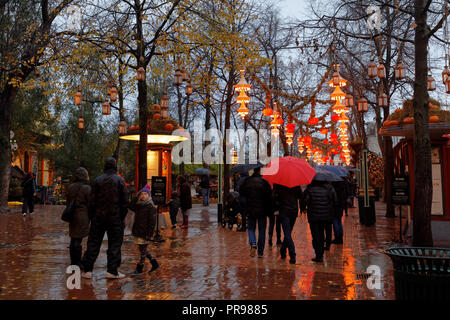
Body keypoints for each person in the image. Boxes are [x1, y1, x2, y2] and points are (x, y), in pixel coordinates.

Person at [81, 157, 129, 279]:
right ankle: (112, 270)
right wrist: (121, 217)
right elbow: (125, 202)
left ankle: (87, 270)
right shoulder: (120, 181)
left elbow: (92, 201)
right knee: (114, 244)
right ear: (115, 166)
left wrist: (92, 216)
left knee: (93, 243)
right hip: (115, 218)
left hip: (98, 217)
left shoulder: (98, 180)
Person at [238, 167, 273, 258]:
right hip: (262, 210)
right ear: (260, 172)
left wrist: (244, 208)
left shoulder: (247, 182)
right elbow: (270, 198)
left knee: (250, 228)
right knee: (262, 230)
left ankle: (253, 243)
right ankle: (260, 252)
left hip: (250, 209)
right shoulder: (265, 183)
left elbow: (241, 194)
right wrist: (270, 211)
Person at [301, 179, 337, 263]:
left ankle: (318, 255)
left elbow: (305, 201)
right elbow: (335, 200)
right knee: (321, 234)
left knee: (315, 236)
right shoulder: (329, 188)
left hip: (313, 216)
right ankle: (321, 252)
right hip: (325, 215)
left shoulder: (310, 189)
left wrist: (303, 208)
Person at [128, 186, 159, 275]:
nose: (143, 196)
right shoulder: (139, 205)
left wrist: (149, 234)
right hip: (138, 231)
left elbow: (152, 223)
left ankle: (140, 268)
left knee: (142, 251)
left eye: (145, 194)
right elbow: (130, 206)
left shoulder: (151, 207)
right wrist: (136, 197)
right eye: (141, 194)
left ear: (149, 196)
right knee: (142, 249)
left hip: (145, 232)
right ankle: (154, 263)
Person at [66, 167, 91, 269]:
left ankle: (73, 261)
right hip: (82, 216)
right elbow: (91, 203)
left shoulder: (71, 187)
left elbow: (67, 201)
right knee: (78, 240)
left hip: (72, 216)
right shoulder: (86, 188)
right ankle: (77, 262)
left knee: (73, 239)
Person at [272, 184, 302, 264]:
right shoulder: (296, 184)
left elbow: (274, 197)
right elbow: (300, 196)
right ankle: (288, 252)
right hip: (293, 210)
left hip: (284, 210)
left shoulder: (278, 184)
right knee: (288, 233)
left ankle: (290, 253)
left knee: (287, 233)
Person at [331, 179, 349, 245]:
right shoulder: (343, 183)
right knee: (339, 221)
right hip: (341, 205)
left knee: (335, 221)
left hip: (334, 205)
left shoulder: (333, 185)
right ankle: (340, 238)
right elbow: (346, 193)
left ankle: (337, 238)